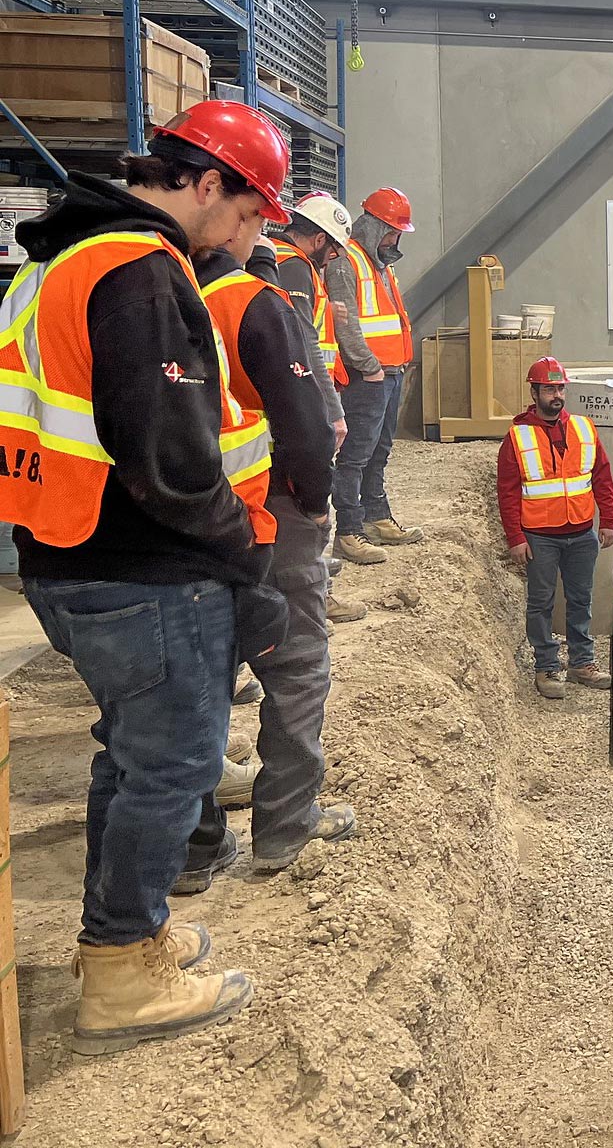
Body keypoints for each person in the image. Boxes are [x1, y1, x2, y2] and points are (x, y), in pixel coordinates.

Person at [0, 99, 290, 1054]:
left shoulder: (57, 258)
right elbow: (170, 458)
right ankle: (122, 972)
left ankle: (127, 938)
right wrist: (245, 561)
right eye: (249, 213)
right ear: (206, 185)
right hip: (143, 568)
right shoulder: (138, 269)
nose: (248, 236)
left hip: (62, 554)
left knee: (130, 757)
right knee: (172, 765)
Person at [196, 221, 358, 872]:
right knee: (294, 667)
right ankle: (287, 826)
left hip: (186, 518)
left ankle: (195, 843)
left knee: (200, 669)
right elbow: (310, 429)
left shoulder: (153, 290)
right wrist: (317, 506)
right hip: (269, 508)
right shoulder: (254, 303)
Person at [269, 192, 362, 626]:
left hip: (292, 396)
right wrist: (331, 410)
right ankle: (316, 597)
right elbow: (305, 343)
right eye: (335, 249)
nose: (334, 259)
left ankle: (311, 588)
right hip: (307, 399)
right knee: (310, 501)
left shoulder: (277, 258)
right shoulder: (296, 266)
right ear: (321, 240)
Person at [497, 357, 613, 698]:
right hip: (539, 536)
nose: (556, 394)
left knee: (581, 599)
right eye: (549, 388)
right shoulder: (518, 437)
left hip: (581, 532)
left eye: (560, 387)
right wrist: (515, 537)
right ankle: (546, 667)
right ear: (534, 392)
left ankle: (581, 663)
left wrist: (608, 519)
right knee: (541, 603)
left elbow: (602, 476)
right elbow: (506, 491)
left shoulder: (583, 428)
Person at [327, 188, 423, 565]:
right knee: (355, 456)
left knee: (378, 451)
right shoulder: (345, 261)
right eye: (392, 232)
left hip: (388, 373)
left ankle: (376, 516)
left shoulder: (381, 265)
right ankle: (349, 532)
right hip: (368, 377)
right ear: (374, 226)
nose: (395, 240)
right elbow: (346, 325)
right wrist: (369, 368)